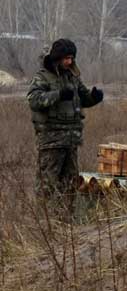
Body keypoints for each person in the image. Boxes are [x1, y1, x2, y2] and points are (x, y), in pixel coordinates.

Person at [26, 39, 104, 214]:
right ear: (57, 58)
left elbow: (84, 98)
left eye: (72, 58)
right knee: (48, 184)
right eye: (66, 58)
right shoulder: (43, 76)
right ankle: (44, 222)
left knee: (71, 183)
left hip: (70, 140)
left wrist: (95, 97)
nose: (69, 62)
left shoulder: (72, 77)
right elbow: (34, 99)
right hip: (51, 140)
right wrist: (58, 95)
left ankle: (66, 221)